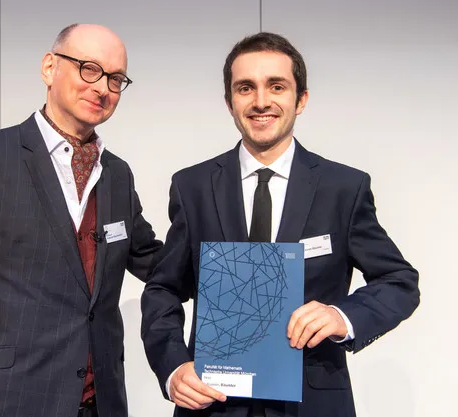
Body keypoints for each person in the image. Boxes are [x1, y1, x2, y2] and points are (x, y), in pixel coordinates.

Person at [140, 32, 419, 417]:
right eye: (245, 88)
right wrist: (172, 367)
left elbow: (399, 282)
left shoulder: (344, 187)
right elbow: (163, 288)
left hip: (312, 402)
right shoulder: (192, 186)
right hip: (213, 402)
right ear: (229, 102)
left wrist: (342, 316)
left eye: (276, 86)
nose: (260, 102)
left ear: (300, 99)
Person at [0, 23, 162, 417]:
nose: (102, 88)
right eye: (89, 69)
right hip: (7, 402)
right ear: (49, 68)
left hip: (101, 406)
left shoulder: (117, 175)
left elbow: (156, 261)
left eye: (115, 78)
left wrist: (260, 272)